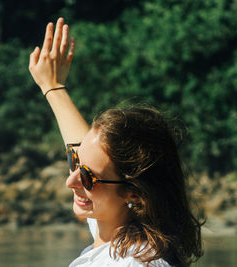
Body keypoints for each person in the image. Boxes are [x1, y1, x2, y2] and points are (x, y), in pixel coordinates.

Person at [29, 18, 203, 267]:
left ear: (135, 194)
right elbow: (89, 152)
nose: (71, 181)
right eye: (75, 163)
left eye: (87, 177)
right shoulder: (116, 226)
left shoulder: (134, 262)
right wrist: (52, 86)